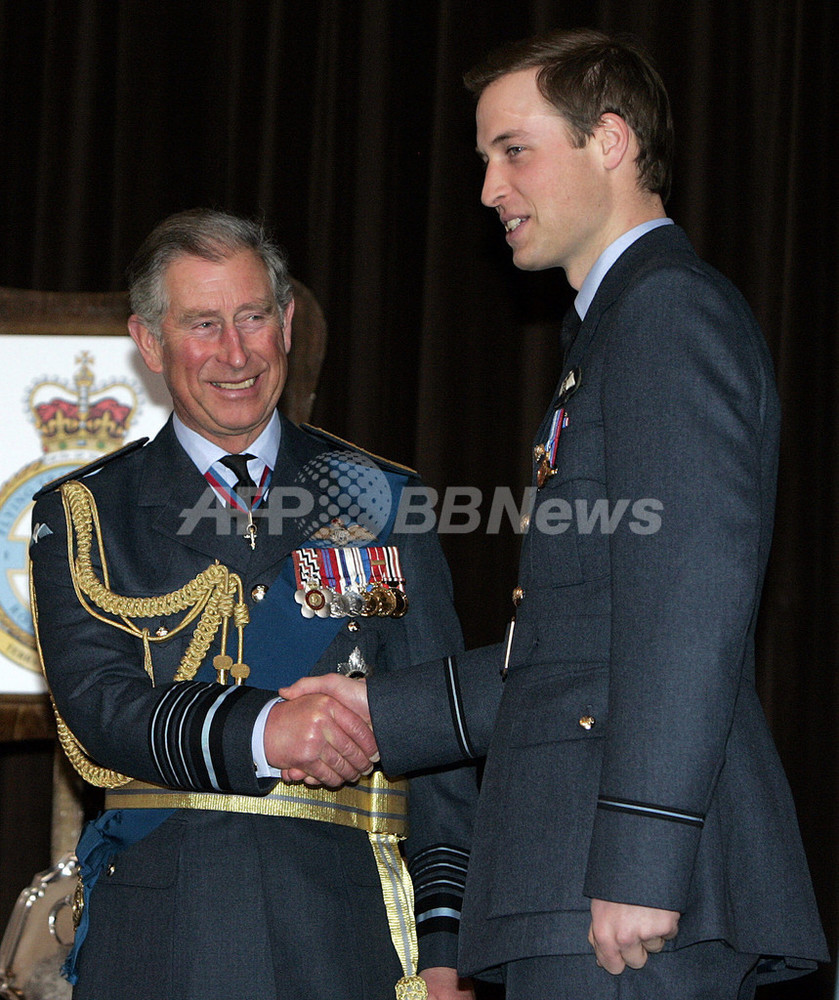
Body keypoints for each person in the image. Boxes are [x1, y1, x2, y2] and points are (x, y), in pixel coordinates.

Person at [279, 28, 829, 1000]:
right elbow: (576, 656)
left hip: (622, 893)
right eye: (482, 158)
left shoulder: (664, 317)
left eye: (513, 150)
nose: (488, 187)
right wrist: (380, 709)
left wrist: (640, 854)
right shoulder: (613, 332)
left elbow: (687, 601)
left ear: (608, 141)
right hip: (579, 876)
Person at [29, 208, 476, 1000]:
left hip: (348, 934)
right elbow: (99, 709)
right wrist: (269, 729)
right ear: (150, 340)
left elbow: (438, 739)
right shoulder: (84, 513)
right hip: (163, 934)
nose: (235, 355)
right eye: (204, 324)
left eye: (253, 318)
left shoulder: (384, 499)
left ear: (288, 322)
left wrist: (445, 943)